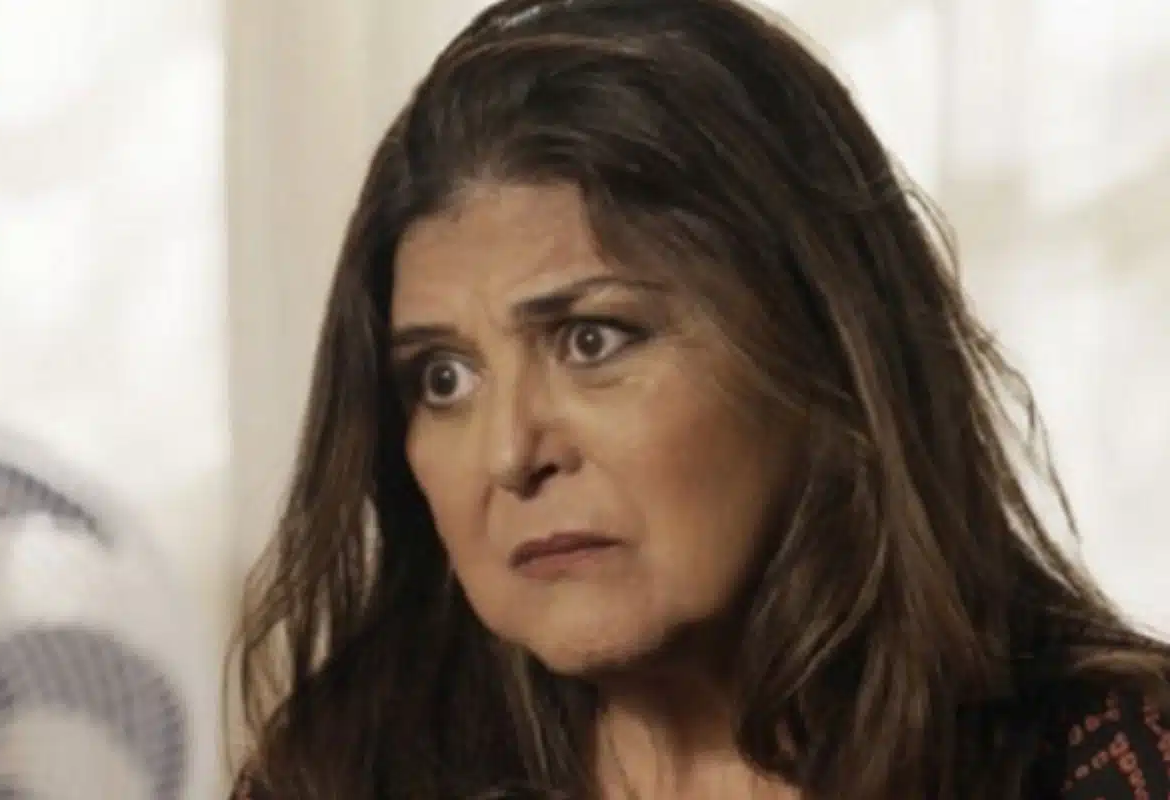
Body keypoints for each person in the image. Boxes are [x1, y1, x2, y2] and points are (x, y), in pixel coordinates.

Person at [228, 0, 1170, 797]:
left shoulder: (1113, 764)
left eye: (592, 340)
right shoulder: (338, 773)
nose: (511, 454)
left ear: (820, 341)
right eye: (445, 378)